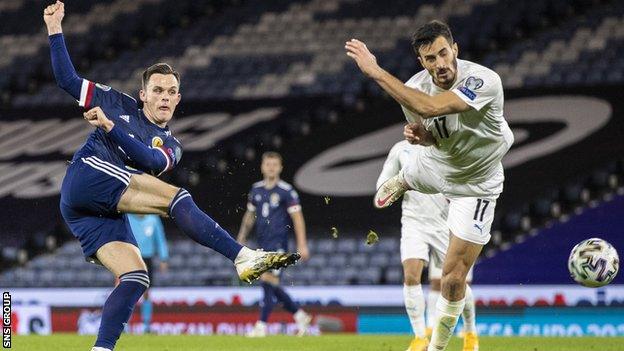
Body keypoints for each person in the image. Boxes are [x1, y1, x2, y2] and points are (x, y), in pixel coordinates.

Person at [44, 2, 299, 350]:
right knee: (177, 199)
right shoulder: (116, 102)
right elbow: (66, 80)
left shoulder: (172, 145)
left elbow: (146, 158)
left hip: (96, 208)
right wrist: (55, 29)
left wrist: (110, 129)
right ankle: (242, 257)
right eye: (157, 91)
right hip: (87, 175)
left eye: (170, 92)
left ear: (178, 99)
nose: (163, 97)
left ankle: (101, 348)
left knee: (135, 277)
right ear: (143, 94)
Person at [347, 20, 513, 351]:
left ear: (455, 50)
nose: (440, 64)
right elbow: (430, 129)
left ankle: (436, 347)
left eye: (443, 54)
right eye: (430, 59)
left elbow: (433, 107)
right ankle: (405, 178)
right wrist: (423, 138)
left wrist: (376, 72)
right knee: (415, 165)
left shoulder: (483, 80)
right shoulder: (413, 87)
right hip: (435, 167)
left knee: (453, 279)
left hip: (477, 183)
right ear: (421, 62)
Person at [377, 140, 478, 351]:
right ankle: (420, 338)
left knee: (455, 281)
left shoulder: (448, 145)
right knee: (411, 276)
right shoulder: (400, 149)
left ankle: (470, 331)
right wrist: (396, 186)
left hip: (445, 223)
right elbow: (382, 185)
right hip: (413, 222)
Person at [237, 152, 312, 337]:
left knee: (267, 281)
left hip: (279, 243)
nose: (271, 167)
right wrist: (241, 237)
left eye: (274, 164)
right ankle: (300, 315)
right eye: (268, 164)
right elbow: (249, 216)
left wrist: (302, 245)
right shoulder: (256, 190)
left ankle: (261, 326)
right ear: (262, 167)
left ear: (280, 167)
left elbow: (298, 218)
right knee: (271, 285)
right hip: (262, 244)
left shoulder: (286, 191)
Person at [127, 214, 169, 333]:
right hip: (129, 257)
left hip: (147, 259)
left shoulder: (153, 219)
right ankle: (123, 325)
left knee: (146, 292)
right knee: (124, 291)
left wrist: (164, 258)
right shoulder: (128, 217)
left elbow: (160, 239)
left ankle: (146, 326)